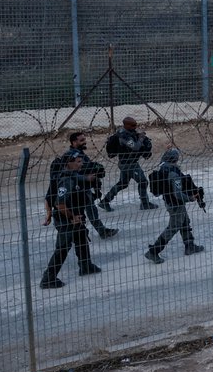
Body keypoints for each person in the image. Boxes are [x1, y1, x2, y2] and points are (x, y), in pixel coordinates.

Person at [40, 150, 102, 288]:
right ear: (69, 164)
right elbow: (59, 203)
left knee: (81, 238)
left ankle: (86, 266)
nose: (81, 164)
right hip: (65, 219)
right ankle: (48, 278)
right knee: (63, 247)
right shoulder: (65, 180)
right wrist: (72, 217)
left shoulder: (73, 175)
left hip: (76, 217)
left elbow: (82, 180)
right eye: (78, 162)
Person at [45, 132, 117, 239]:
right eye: (81, 140)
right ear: (74, 142)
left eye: (84, 139)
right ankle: (76, 237)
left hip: (84, 189)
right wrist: (87, 177)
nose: (84, 142)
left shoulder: (79, 154)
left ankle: (100, 231)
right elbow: (71, 174)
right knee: (80, 214)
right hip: (76, 192)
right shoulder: (71, 156)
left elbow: (87, 168)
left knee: (91, 211)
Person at [144, 148, 205, 264]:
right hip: (175, 204)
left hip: (170, 202)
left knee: (185, 221)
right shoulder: (173, 173)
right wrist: (190, 198)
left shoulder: (164, 168)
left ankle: (189, 245)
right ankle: (153, 251)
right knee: (173, 228)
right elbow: (177, 194)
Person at [100, 116, 156, 211]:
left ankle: (105, 201)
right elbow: (135, 147)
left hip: (130, 162)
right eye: (133, 125)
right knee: (143, 181)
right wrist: (141, 138)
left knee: (123, 183)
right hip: (128, 164)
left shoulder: (130, 132)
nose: (135, 127)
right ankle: (145, 203)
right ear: (126, 125)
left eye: (135, 125)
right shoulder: (123, 136)